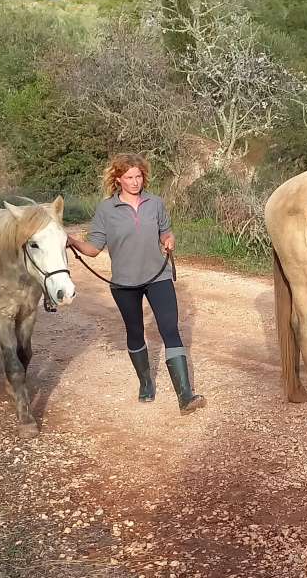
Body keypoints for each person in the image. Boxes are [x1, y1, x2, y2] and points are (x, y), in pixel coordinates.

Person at [67, 154, 207, 415]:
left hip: (158, 276)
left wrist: (169, 238)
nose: (135, 181)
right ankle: (145, 382)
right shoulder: (106, 209)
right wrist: (73, 242)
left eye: (138, 176)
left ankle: (185, 395)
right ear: (118, 179)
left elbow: (166, 230)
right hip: (124, 283)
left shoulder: (155, 203)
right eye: (129, 177)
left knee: (170, 330)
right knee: (135, 331)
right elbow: (94, 249)